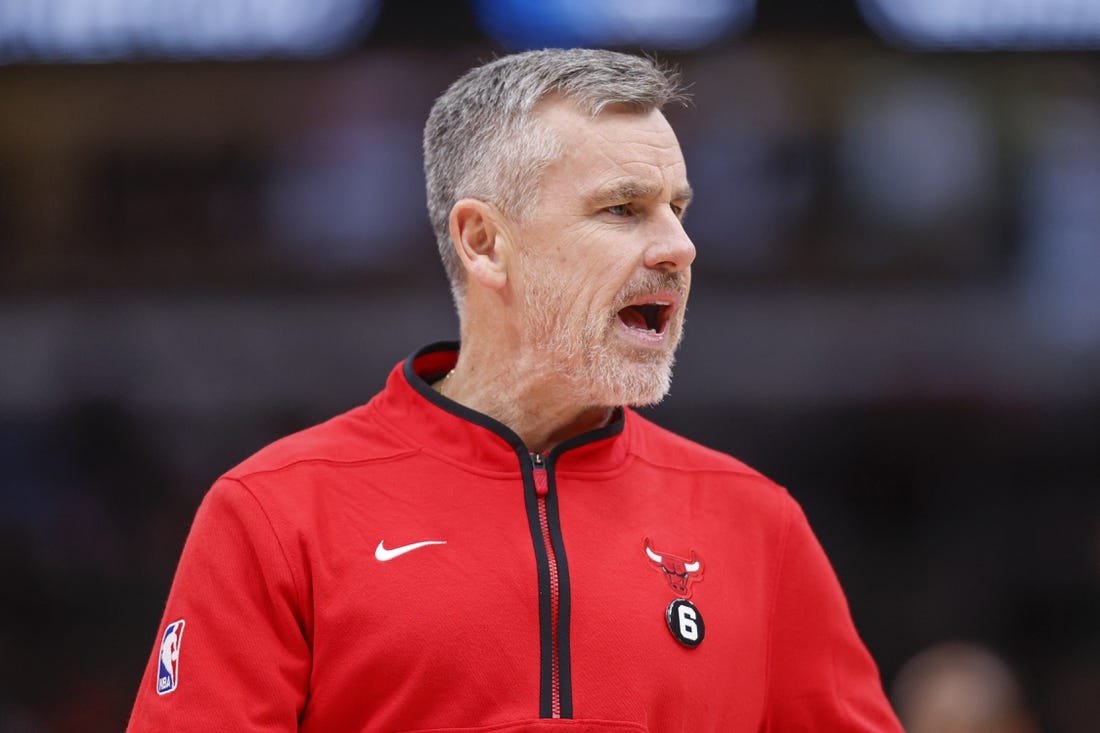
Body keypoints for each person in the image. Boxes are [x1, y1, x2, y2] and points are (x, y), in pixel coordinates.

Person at [128, 48, 902, 731]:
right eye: (624, 209)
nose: (679, 246)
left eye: (678, 208)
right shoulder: (275, 512)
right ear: (484, 242)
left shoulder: (757, 524)